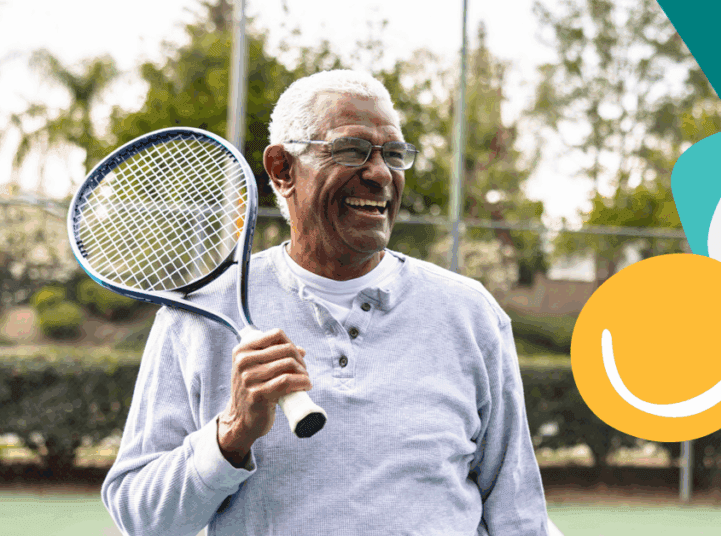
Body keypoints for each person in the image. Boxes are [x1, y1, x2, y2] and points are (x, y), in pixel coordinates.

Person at [101, 69, 551, 535]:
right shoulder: (195, 317)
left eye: (394, 155)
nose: (379, 174)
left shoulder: (470, 312)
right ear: (282, 169)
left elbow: (517, 512)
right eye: (351, 150)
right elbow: (142, 519)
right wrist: (232, 434)